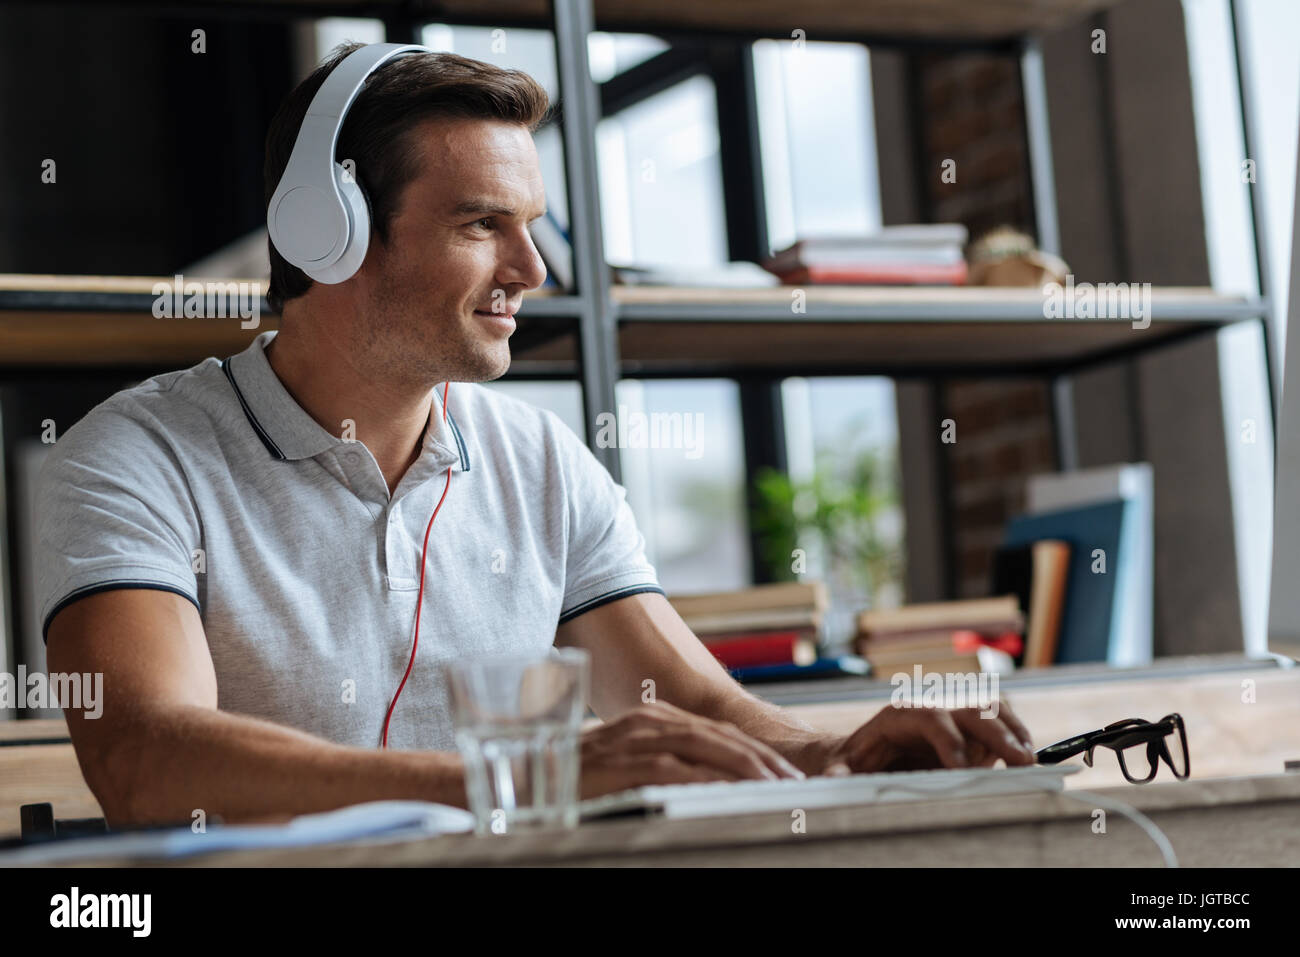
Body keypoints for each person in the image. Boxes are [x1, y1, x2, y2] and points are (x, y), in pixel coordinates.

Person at [38, 42, 1035, 828]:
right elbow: (146, 759)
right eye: (482, 225)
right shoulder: (137, 456)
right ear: (325, 230)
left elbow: (692, 698)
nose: (535, 269)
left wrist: (835, 754)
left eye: (535, 224)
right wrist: (521, 775)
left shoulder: (541, 459)